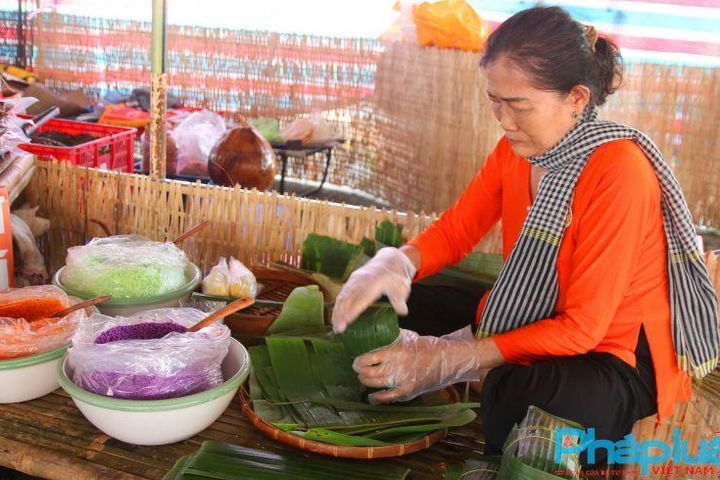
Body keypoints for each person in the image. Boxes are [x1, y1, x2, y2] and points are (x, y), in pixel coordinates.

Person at [331, 6, 719, 466]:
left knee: (520, 403)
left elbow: (582, 329)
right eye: (495, 100)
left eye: (518, 104)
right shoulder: (515, 152)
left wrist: (456, 358)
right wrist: (396, 262)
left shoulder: (620, 172)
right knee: (390, 306)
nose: (504, 119)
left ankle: (484, 380)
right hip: (535, 316)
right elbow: (457, 230)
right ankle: (480, 373)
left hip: (613, 356)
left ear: (576, 97)